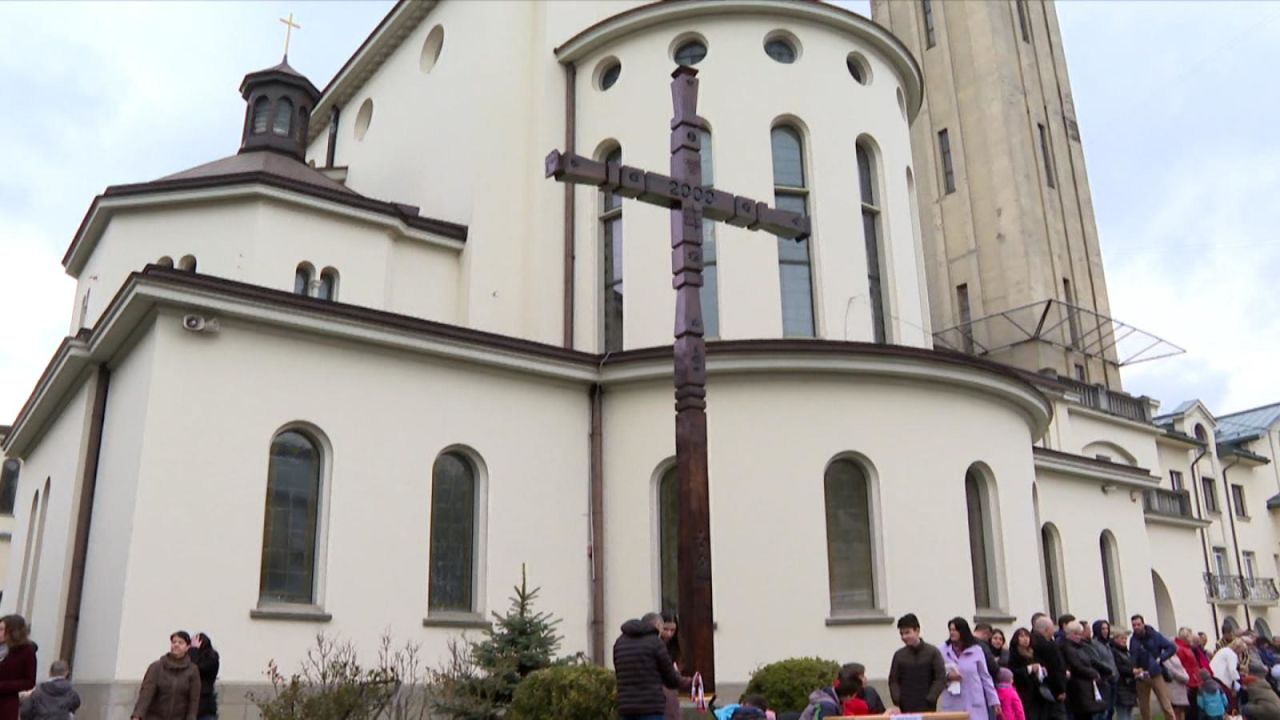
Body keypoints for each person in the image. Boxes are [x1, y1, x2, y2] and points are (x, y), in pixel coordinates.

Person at [614, 613, 690, 720]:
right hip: (650, 706)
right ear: (658, 625)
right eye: (663, 628)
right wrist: (690, 682)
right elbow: (670, 678)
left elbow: (619, 673)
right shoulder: (655, 642)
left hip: (627, 707)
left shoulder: (620, 642)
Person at [130, 631, 203, 720]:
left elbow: (194, 700)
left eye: (180, 643)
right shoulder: (156, 667)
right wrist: (137, 715)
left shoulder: (192, 670)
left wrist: (191, 717)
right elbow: (146, 694)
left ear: (187, 647)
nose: (176, 645)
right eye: (174, 642)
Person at [941, 617, 1002, 720]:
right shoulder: (942, 651)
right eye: (950, 630)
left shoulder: (976, 651)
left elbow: (985, 677)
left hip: (974, 703)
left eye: (955, 630)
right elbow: (937, 674)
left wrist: (994, 701)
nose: (952, 633)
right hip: (952, 703)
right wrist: (948, 676)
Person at [889, 613, 947, 713]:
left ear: (917, 631)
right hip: (905, 707)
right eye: (901, 634)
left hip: (927, 706)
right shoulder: (899, 655)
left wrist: (931, 697)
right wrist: (897, 700)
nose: (904, 637)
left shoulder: (932, 652)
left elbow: (940, 678)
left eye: (907, 633)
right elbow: (893, 680)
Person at [1130, 614, 1177, 720]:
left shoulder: (1154, 635)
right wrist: (1134, 668)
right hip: (1141, 676)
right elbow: (1133, 656)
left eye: (1138, 624)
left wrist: (1161, 658)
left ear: (1143, 624)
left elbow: (1171, 647)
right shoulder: (1133, 640)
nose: (1136, 627)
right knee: (1144, 708)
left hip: (1155, 673)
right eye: (1134, 625)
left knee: (1165, 704)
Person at [1061, 621, 1106, 720]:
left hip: (1086, 687)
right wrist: (1093, 673)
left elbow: (1090, 661)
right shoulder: (1068, 649)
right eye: (1076, 634)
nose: (1079, 637)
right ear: (1070, 634)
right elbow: (1076, 666)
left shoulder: (1080, 648)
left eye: (1079, 634)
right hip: (1078, 688)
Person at [0, 615, 37, 720]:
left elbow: (29, 681)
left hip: (6, 705)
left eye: (2, 629)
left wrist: (3, 686)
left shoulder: (26, 651)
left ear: (13, 631)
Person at [1032, 616, 1069, 720]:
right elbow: (1055, 668)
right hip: (1052, 691)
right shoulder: (1049, 646)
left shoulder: (1031, 643)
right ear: (1047, 630)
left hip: (1039, 691)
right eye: (1053, 628)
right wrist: (1060, 690)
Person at [1089, 621, 1119, 720]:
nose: (1105, 631)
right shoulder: (1095, 644)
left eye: (1107, 628)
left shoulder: (1108, 644)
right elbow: (1097, 661)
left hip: (1113, 679)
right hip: (1104, 679)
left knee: (1111, 709)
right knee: (1104, 710)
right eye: (1103, 629)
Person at [188, 633, 218, 720]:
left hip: (204, 705)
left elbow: (196, 668)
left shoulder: (211, 657)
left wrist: (194, 650)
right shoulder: (193, 655)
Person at [1112, 630, 1139, 720]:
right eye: (1122, 638)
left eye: (1125, 639)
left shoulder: (1126, 652)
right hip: (1121, 686)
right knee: (1123, 714)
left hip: (1130, 685)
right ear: (1115, 639)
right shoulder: (1114, 652)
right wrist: (1132, 671)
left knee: (1128, 713)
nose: (1124, 641)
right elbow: (1119, 667)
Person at [659, 613, 682, 720]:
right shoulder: (655, 643)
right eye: (666, 629)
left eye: (672, 630)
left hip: (671, 683)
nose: (669, 634)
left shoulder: (675, 645)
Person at [1164, 654, 1191, 720]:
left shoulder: (1175, 655)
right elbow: (1172, 671)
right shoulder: (1164, 656)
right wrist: (1184, 677)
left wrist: (1186, 676)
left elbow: (1182, 668)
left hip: (1181, 687)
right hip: (1173, 688)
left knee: (1181, 711)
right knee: (1175, 713)